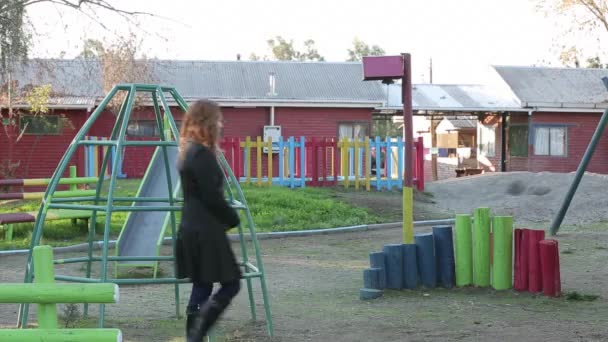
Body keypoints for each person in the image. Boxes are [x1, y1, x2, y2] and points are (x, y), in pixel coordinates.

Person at [175, 100, 242, 341]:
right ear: (207, 122)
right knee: (232, 284)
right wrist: (232, 218)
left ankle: (195, 336)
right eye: (218, 119)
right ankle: (196, 336)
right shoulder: (201, 155)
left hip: (191, 228)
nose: (221, 124)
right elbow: (211, 197)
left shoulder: (188, 151)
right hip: (205, 231)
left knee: (203, 285)